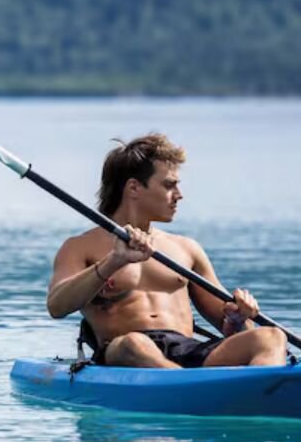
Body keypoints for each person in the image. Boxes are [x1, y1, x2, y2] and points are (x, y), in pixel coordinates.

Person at [46, 133, 288, 368]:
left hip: (188, 352)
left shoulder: (186, 249)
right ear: (134, 188)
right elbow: (57, 306)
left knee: (271, 337)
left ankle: (264, 392)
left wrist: (239, 318)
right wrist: (114, 261)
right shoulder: (80, 247)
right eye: (169, 185)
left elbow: (236, 329)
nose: (179, 196)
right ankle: (189, 390)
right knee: (134, 343)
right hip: (124, 354)